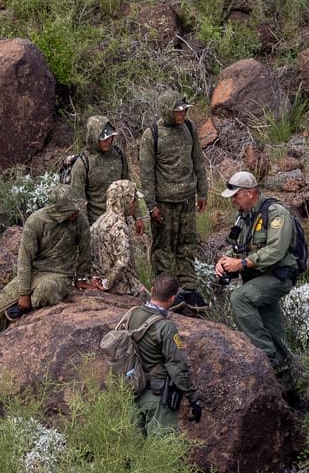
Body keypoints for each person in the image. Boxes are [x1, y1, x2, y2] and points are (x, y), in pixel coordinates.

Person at [214, 171, 296, 388]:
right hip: (258, 279)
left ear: (250, 193)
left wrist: (240, 264)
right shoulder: (244, 218)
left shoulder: (277, 214)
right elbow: (238, 248)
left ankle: (266, 359)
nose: (233, 201)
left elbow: (275, 251)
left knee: (240, 298)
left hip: (277, 276)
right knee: (274, 331)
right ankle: (286, 382)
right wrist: (225, 261)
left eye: (235, 196)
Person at [0, 185, 101, 333]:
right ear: (57, 210)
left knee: (43, 292)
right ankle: (2, 340)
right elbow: (25, 259)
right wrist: (24, 293)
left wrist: (80, 278)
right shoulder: (36, 222)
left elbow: (86, 252)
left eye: (76, 208)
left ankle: (23, 312)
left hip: (60, 274)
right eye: (70, 210)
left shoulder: (80, 221)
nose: (76, 212)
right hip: (35, 273)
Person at [139, 90, 208, 310]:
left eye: (185, 110)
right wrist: (151, 206)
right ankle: (165, 293)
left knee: (187, 246)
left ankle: (189, 290)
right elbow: (146, 174)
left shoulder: (189, 128)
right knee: (163, 250)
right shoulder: (152, 135)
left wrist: (202, 192)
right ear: (167, 111)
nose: (183, 114)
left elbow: (198, 161)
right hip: (164, 204)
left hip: (187, 200)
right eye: (178, 111)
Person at [128, 275, 202, 435]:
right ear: (173, 298)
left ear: (152, 290)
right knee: (161, 452)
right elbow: (176, 366)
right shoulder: (165, 327)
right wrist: (193, 397)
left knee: (134, 450)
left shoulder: (133, 314)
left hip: (133, 391)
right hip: (158, 398)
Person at [69, 115, 143, 232]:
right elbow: (79, 203)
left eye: (110, 137)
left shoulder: (118, 154)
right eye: (103, 138)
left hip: (120, 223)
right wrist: (84, 232)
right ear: (94, 137)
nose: (108, 141)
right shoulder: (82, 164)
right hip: (96, 227)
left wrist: (137, 217)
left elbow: (129, 188)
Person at [91, 179, 147, 297]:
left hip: (99, 279)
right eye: (133, 201)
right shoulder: (119, 227)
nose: (135, 204)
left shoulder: (99, 221)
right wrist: (107, 283)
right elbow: (123, 261)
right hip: (122, 288)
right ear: (125, 200)